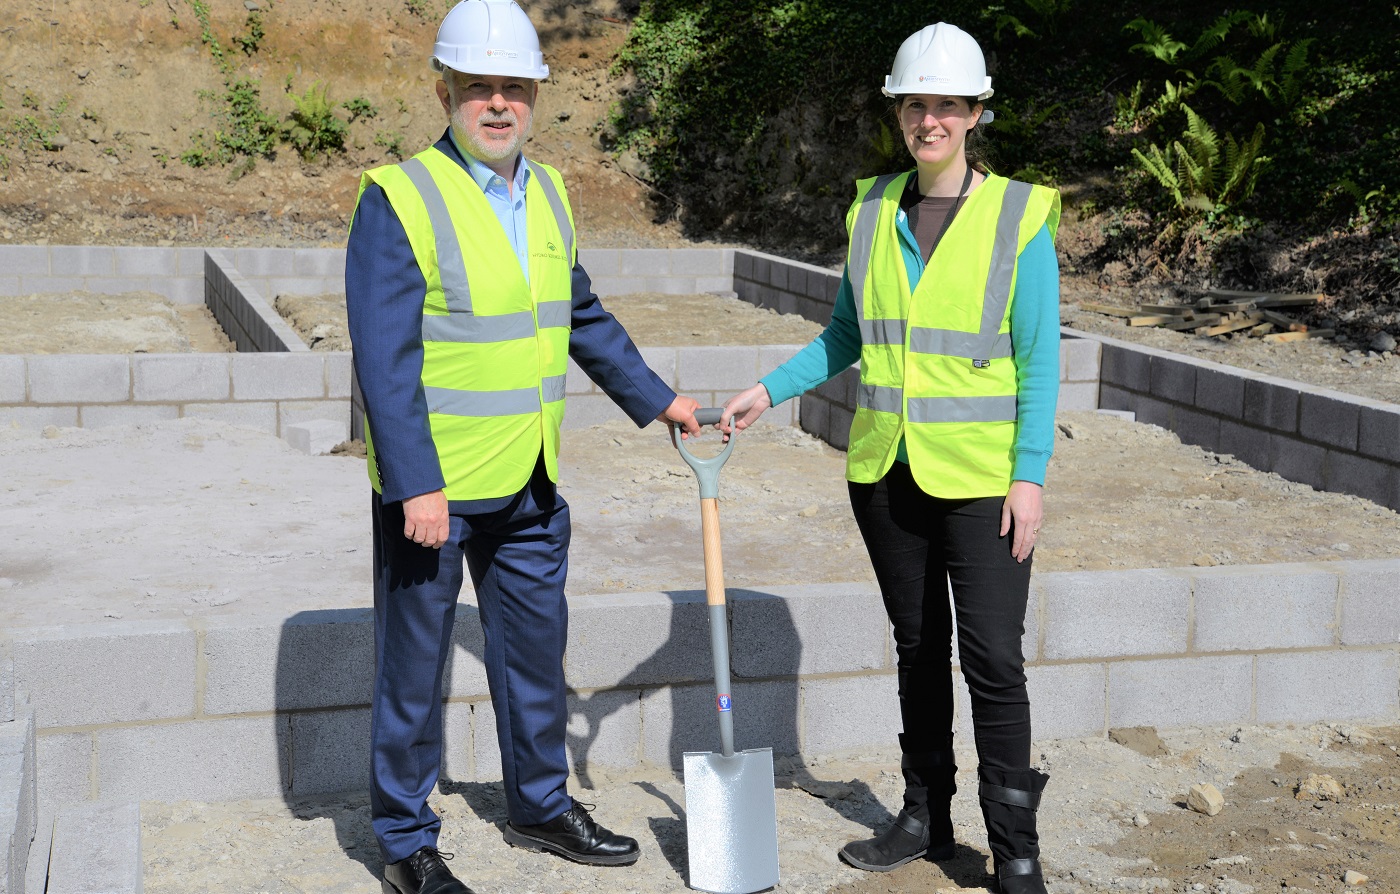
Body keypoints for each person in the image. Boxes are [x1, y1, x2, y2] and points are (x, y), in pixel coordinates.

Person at [344, 2, 700, 892]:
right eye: (479, 89)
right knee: (414, 673)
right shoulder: (402, 197)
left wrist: (659, 401)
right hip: (438, 490)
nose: (497, 104)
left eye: (514, 88)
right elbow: (384, 363)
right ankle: (404, 840)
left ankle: (540, 806)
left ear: (536, 96)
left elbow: (578, 314)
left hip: (533, 477)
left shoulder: (546, 192)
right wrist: (415, 485)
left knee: (537, 656)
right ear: (446, 92)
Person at [720, 21, 1060, 894]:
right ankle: (926, 816)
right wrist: (768, 390)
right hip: (887, 474)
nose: (930, 119)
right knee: (918, 650)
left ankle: (1014, 846)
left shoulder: (1018, 217)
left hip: (984, 483)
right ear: (898, 111)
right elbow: (845, 336)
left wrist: (1029, 475)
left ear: (977, 112)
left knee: (993, 659)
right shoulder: (872, 209)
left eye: (948, 103)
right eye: (917, 103)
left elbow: (1040, 360)